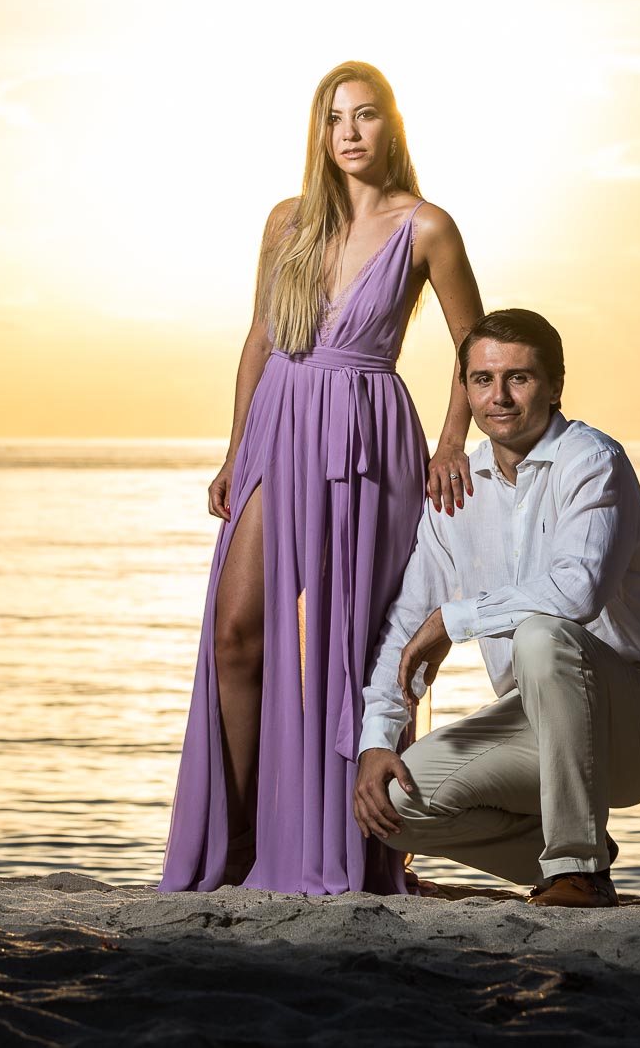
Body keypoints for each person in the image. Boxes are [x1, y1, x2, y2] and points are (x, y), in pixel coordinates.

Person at [159, 61, 485, 895]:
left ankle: (372, 841)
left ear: (391, 126)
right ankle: (236, 842)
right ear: (320, 131)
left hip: (368, 439)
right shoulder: (287, 222)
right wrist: (236, 450)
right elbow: (260, 340)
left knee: (362, 650)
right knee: (236, 631)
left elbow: (473, 348)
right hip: (281, 423)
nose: (348, 131)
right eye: (334, 117)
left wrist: (453, 443)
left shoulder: (427, 227)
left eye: (365, 115)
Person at [351, 308, 640, 908]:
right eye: (482, 379)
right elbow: (409, 621)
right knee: (396, 806)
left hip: (636, 728)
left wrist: (454, 620)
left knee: (541, 637)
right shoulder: (458, 485)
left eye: (519, 378)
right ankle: (578, 851)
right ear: (466, 388)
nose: (499, 397)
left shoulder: (593, 461)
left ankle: (577, 872)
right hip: (534, 725)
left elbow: (576, 591)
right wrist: (378, 735)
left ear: (556, 385)